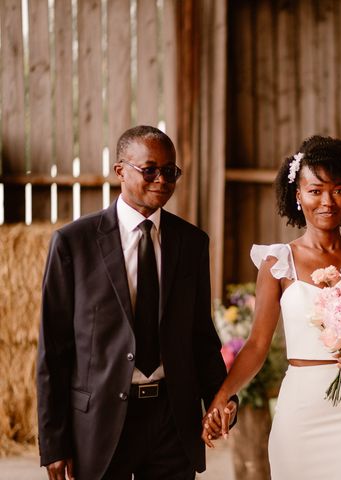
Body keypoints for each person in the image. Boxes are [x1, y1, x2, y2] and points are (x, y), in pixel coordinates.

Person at [37, 125, 237, 479]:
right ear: (120, 171)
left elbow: (200, 336)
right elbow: (54, 350)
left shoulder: (192, 243)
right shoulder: (73, 243)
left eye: (170, 171)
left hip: (172, 419)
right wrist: (54, 442)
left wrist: (222, 399)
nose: (162, 179)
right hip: (100, 419)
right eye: (150, 170)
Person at [202, 135, 341, 479]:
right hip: (301, 412)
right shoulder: (278, 263)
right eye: (315, 190)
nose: (327, 201)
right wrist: (222, 396)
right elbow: (257, 345)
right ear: (297, 195)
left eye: (338, 190)